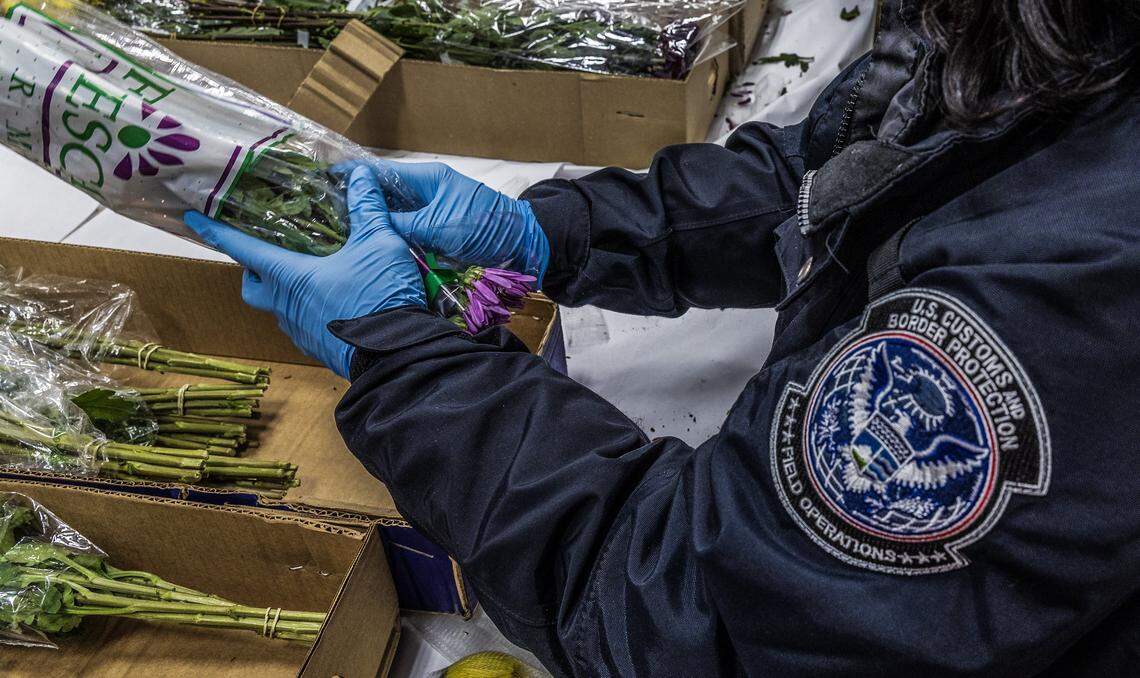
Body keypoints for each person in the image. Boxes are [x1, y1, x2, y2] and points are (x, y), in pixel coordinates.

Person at [185, 0, 1140, 674]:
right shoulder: (1062, 41)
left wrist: (404, 359)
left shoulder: (1082, 282)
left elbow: (695, 608)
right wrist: (555, 233)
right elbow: (862, 160)